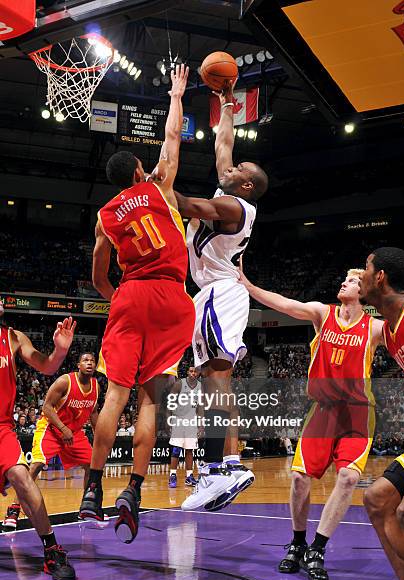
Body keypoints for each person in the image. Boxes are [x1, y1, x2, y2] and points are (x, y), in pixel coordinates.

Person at [78, 64, 195, 545]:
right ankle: (133, 489)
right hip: (172, 297)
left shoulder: (105, 218)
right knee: (151, 399)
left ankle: (91, 490)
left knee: (115, 396)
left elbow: (97, 275)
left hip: (130, 296)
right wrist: (176, 93)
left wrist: (119, 297)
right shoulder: (160, 187)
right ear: (138, 172)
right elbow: (172, 135)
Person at [240, 267, 384, 580]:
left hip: (358, 413)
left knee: (347, 478)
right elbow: (282, 304)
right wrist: (249, 284)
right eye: (344, 277)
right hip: (323, 410)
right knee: (298, 478)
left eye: (353, 280)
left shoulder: (374, 328)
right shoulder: (322, 313)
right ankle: (297, 542)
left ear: (364, 292)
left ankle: (317, 549)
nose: (344, 281)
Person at [174, 79, 268, 512]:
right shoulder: (231, 192)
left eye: (236, 172)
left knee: (216, 381)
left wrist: (149, 186)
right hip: (214, 294)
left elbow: (188, 206)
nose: (227, 171)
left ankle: (221, 468)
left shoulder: (233, 206)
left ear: (246, 186)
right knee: (217, 381)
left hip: (220, 293)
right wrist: (227, 105)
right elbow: (222, 147)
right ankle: (225, 465)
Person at [0, 301, 76, 580]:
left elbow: (46, 366)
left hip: (1, 429)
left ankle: (51, 550)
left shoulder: (13, 337)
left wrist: (60, 351)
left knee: (22, 475)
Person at [3, 353, 99, 532]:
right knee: (36, 465)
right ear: (78, 364)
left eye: (92, 361)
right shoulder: (65, 381)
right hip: (52, 429)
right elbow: (46, 407)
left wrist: (99, 436)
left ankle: (87, 506)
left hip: (74, 433)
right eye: (85, 360)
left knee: (92, 465)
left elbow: (93, 414)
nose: (89, 363)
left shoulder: (95, 386)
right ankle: (14, 509)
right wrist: (63, 429)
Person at [359, 247, 404, 580]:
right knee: (378, 501)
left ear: (381, 277)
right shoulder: (390, 330)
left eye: (365, 268)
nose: (360, 273)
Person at [168, 366, 201, 488]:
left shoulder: (200, 387)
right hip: (178, 420)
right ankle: (172, 475)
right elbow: (170, 400)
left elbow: (200, 407)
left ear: (198, 373)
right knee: (176, 449)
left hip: (191, 421)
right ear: (187, 372)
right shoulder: (179, 384)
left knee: (189, 450)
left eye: (195, 371)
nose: (193, 373)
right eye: (191, 371)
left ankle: (189, 476)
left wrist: (201, 424)